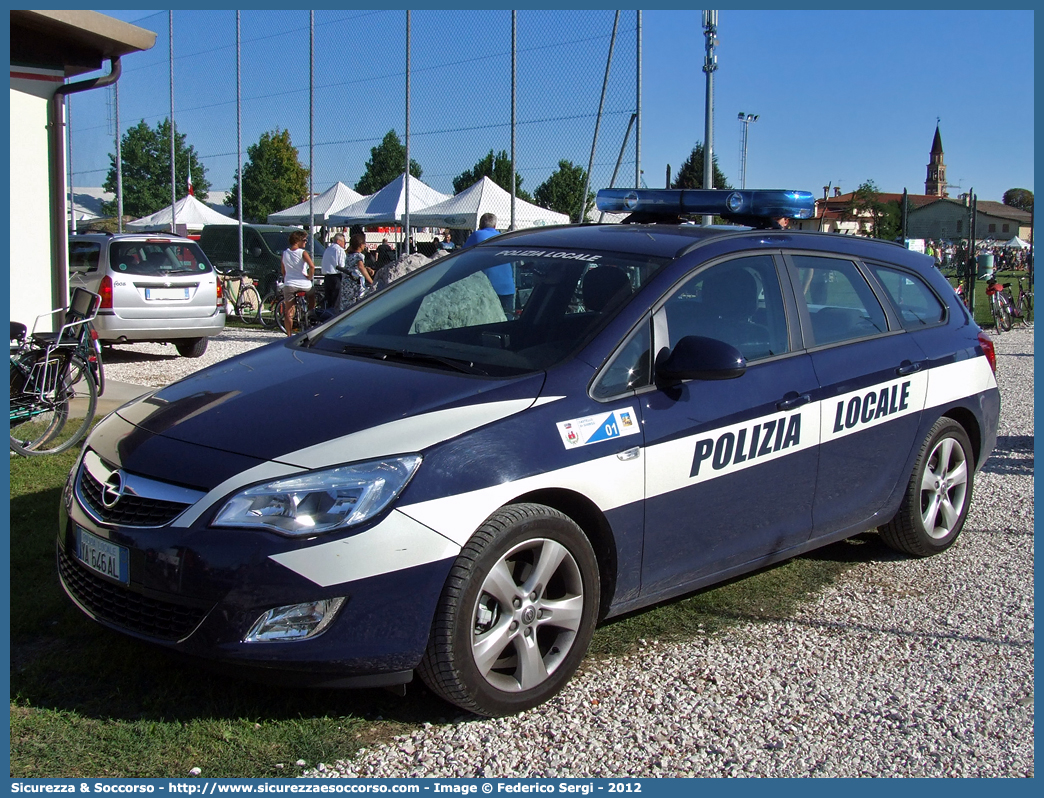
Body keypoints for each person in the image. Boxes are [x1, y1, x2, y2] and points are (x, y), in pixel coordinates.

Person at [465, 212, 515, 314]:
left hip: (488, 289)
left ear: (480, 225)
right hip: (507, 288)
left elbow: (461, 257)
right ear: (495, 226)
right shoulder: (502, 237)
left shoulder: (476, 235)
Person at [281, 230, 316, 335]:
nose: (306, 242)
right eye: (304, 240)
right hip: (304, 284)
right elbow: (312, 266)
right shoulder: (302, 253)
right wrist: (309, 277)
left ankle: (289, 334)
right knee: (312, 295)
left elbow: (283, 270)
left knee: (289, 311)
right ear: (298, 240)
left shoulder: (285, 253)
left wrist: (287, 277)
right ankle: (310, 313)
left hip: (290, 284)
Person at [337, 232, 375, 313]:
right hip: (355, 282)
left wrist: (367, 268)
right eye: (364, 244)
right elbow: (360, 267)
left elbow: (354, 265)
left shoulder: (348, 255)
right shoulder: (359, 256)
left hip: (346, 282)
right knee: (359, 300)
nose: (365, 245)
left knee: (346, 302)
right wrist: (371, 281)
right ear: (361, 245)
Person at [320, 232, 347, 312]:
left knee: (329, 301)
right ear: (339, 241)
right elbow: (342, 265)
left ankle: (328, 316)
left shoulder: (328, 249)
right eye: (344, 242)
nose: (344, 244)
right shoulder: (339, 250)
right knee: (336, 301)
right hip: (336, 276)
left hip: (327, 277)